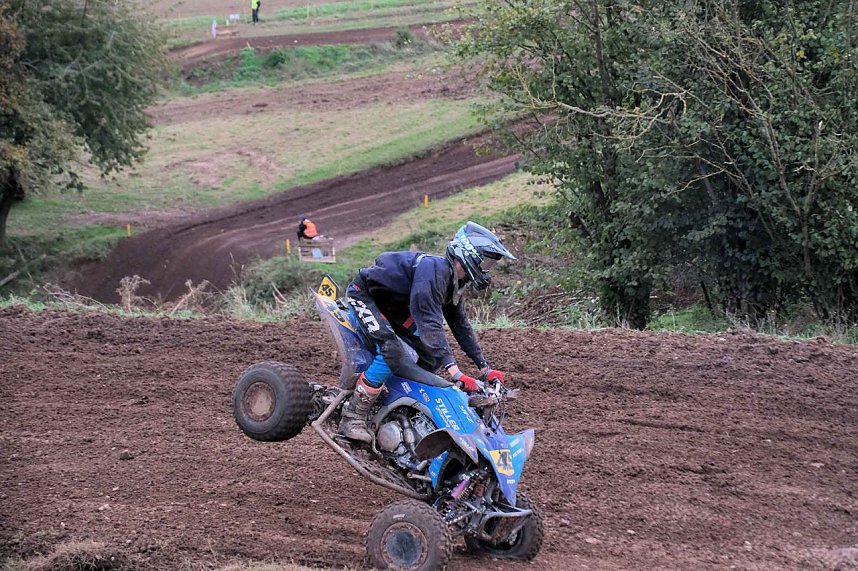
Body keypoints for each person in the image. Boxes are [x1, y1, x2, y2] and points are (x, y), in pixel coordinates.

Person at [339, 221, 516, 443]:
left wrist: (484, 367)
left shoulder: (454, 281)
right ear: (469, 254)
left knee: (428, 355)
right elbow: (429, 323)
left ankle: (397, 403)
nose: (487, 269)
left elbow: (460, 325)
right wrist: (455, 373)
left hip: (393, 307)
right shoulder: (434, 271)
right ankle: (353, 416)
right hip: (366, 296)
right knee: (391, 351)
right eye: (487, 262)